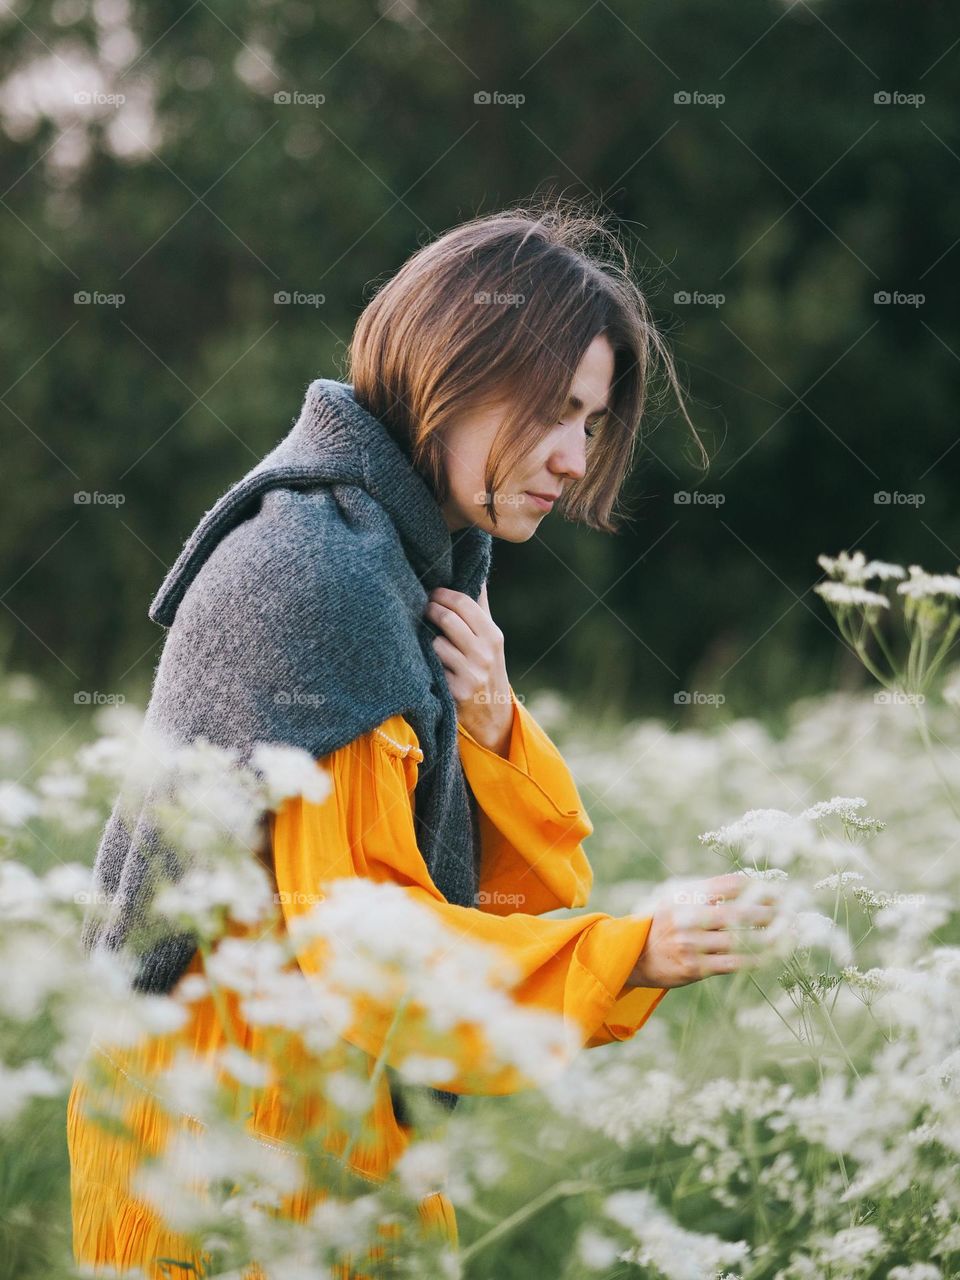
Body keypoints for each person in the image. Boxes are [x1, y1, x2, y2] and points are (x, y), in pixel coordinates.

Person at [67, 199, 778, 1279]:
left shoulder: (401, 563)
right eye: (555, 410)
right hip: (230, 1150)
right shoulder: (323, 574)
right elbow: (366, 946)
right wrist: (629, 951)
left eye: (590, 421)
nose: (575, 456)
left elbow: (512, 901)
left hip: (324, 1125)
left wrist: (492, 728)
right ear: (455, 368)